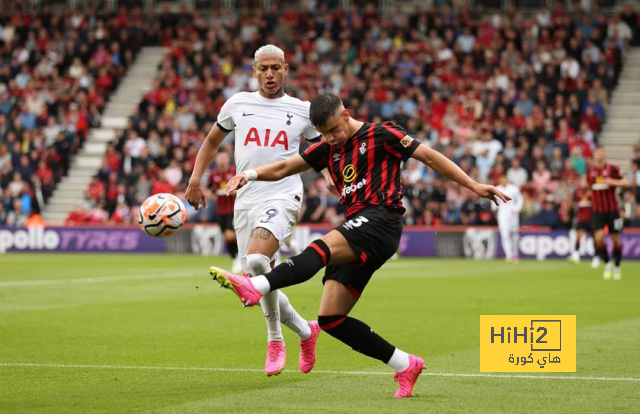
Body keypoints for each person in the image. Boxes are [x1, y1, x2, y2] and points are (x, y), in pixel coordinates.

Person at [210, 93, 510, 398]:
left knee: (321, 247)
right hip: (358, 225)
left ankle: (256, 286)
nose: (329, 138)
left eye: (332, 130)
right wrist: (248, 174)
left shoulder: (382, 135)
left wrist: (473, 185)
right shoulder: (328, 149)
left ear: (345, 115)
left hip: (382, 220)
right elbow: (284, 167)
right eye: (323, 134)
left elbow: (430, 157)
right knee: (330, 318)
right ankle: (405, 364)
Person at [185, 45, 335, 376]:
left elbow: (325, 145)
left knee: (255, 262)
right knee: (259, 278)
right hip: (245, 199)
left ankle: (275, 339)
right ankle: (307, 332)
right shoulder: (237, 104)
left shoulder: (302, 110)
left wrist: (329, 176)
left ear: (286, 69)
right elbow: (211, 142)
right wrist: (196, 179)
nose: (269, 74)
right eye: (263, 68)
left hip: (283, 196)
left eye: (275, 68)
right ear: (254, 71)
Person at [587, 147, 628, 280]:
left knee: (616, 241)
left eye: (601, 153)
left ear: (604, 154)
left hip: (612, 211)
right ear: (594, 155)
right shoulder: (590, 171)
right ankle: (607, 263)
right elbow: (588, 186)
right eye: (596, 153)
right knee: (598, 239)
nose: (599, 155)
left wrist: (612, 182)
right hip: (597, 212)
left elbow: (625, 182)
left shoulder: (613, 168)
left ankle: (617, 266)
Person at [209, 151, 241, 273]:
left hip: (234, 209)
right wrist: (210, 194)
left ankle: (239, 258)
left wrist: (237, 192)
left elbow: (245, 187)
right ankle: (235, 259)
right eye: (219, 159)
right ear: (216, 161)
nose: (222, 161)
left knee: (229, 234)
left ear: (228, 160)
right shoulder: (214, 174)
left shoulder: (235, 172)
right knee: (227, 238)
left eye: (224, 159)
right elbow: (209, 188)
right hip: (220, 210)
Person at [492, 174, 523, 262]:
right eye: (501, 180)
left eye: (504, 179)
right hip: (502, 214)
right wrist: (494, 207)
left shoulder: (514, 188)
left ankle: (515, 254)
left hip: (513, 214)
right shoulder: (497, 188)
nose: (503, 181)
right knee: (504, 235)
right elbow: (493, 200)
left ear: (507, 180)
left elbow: (520, 199)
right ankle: (508, 255)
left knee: (514, 235)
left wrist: (516, 208)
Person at [568, 175, 595, 265]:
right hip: (581, 218)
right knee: (578, 236)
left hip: (592, 218)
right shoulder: (578, 191)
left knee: (595, 238)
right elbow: (572, 201)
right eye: (581, 180)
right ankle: (576, 255)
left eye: (584, 180)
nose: (582, 182)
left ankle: (596, 256)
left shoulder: (593, 191)